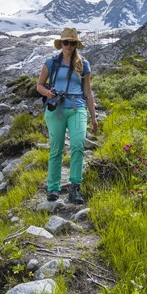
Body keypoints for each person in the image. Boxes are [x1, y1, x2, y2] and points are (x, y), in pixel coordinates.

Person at [37, 27, 98, 204]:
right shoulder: (51, 63)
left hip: (77, 107)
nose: (69, 46)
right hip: (56, 109)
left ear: (76, 45)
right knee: (56, 149)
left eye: (72, 43)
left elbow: (88, 93)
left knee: (78, 146)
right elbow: (39, 85)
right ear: (61, 44)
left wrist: (94, 117)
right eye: (66, 42)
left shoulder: (83, 64)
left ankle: (75, 188)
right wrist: (48, 93)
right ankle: (53, 188)